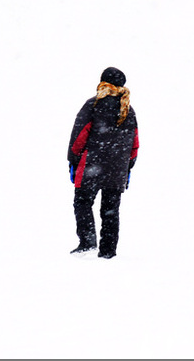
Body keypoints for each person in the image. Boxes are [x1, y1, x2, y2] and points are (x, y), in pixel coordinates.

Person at [67, 67, 139, 259]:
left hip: (91, 166)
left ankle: (88, 242)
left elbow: (78, 139)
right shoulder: (129, 111)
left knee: (82, 202)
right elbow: (134, 146)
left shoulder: (93, 105)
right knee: (110, 211)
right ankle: (108, 252)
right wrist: (127, 168)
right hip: (116, 172)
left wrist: (73, 161)